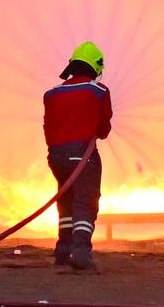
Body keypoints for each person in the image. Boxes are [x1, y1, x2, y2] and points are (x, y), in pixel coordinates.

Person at [43, 42, 113, 271]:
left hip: (56, 156)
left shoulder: (51, 94)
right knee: (85, 202)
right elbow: (103, 129)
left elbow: (48, 126)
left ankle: (63, 250)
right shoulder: (99, 91)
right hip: (83, 154)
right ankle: (81, 253)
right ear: (96, 66)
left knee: (66, 201)